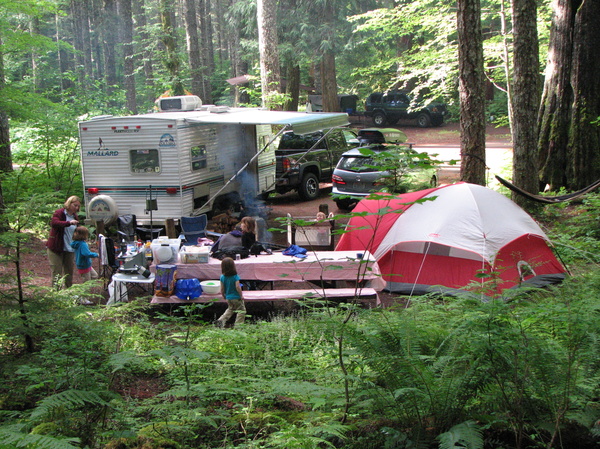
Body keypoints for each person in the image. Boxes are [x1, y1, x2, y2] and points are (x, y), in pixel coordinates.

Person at [46, 196, 81, 289]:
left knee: (69, 273)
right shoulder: (60, 213)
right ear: (69, 204)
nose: (76, 208)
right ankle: (56, 295)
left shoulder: (75, 216)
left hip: (69, 248)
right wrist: (68, 223)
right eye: (75, 205)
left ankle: (68, 293)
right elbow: (54, 223)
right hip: (56, 248)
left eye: (78, 206)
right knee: (57, 273)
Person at [216, 257, 246, 327]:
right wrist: (241, 295)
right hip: (236, 297)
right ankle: (239, 325)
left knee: (230, 309)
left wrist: (223, 295)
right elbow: (237, 287)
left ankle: (220, 320)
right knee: (241, 310)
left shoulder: (222, 277)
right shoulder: (235, 277)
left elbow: (222, 288)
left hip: (228, 297)